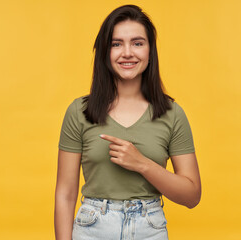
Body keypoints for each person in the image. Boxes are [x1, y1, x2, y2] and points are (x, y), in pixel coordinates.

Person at [54, 4, 201, 240]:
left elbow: (192, 195)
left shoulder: (172, 113)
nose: (127, 53)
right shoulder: (79, 111)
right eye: (116, 44)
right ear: (105, 52)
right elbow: (65, 193)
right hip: (92, 228)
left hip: (149, 229)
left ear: (150, 51)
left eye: (137, 43)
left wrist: (142, 164)